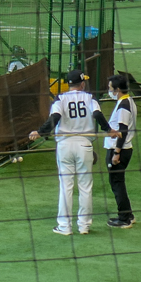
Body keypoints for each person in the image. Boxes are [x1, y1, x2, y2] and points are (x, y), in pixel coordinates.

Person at [30, 71, 104, 234]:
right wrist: (109, 130)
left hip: (64, 145)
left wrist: (40, 132)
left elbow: (55, 117)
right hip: (84, 145)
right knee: (85, 187)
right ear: (82, 84)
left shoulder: (60, 99)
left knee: (66, 187)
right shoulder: (90, 98)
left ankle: (64, 226)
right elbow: (97, 114)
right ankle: (84, 226)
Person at [99, 74, 139, 228]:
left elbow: (123, 131)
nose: (109, 91)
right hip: (123, 149)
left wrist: (116, 153)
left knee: (117, 183)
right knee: (118, 182)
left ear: (117, 90)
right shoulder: (128, 101)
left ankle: (124, 219)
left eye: (110, 88)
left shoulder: (123, 106)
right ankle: (128, 215)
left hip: (119, 150)